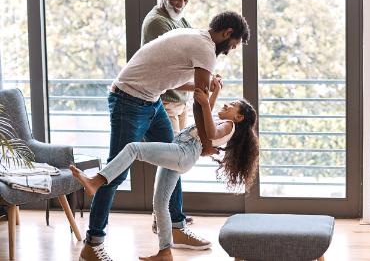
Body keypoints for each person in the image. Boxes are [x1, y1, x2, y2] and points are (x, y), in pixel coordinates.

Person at [79, 11, 250, 261]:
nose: (229, 50)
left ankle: (175, 229)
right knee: (116, 171)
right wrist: (205, 144)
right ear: (227, 33)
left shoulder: (195, 36)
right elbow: (197, 105)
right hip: (129, 100)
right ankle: (92, 244)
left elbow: (173, 80)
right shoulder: (206, 49)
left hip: (150, 100)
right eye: (232, 45)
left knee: (173, 161)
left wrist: (204, 87)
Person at [71, 82, 259, 261]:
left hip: (182, 153)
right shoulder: (223, 122)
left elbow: (209, 133)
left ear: (239, 117)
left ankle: (96, 181)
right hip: (181, 154)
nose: (227, 104)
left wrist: (203, 101)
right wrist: (214, 92)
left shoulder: (229, 126)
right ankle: (165, 251)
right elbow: (204, 119)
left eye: (233, 105)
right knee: (161, 204)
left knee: (133, 149)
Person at [141, 0, 195, 235]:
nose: (181, 4)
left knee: (176, 163)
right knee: (173, 162)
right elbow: (171, 71)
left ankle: (170, 215)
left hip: (180, 103)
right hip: (165, 103)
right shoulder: (157, 23)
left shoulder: (178, 18)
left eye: (185, 0)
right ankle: (170, 220)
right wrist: (200, 82)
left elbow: (190, 55)